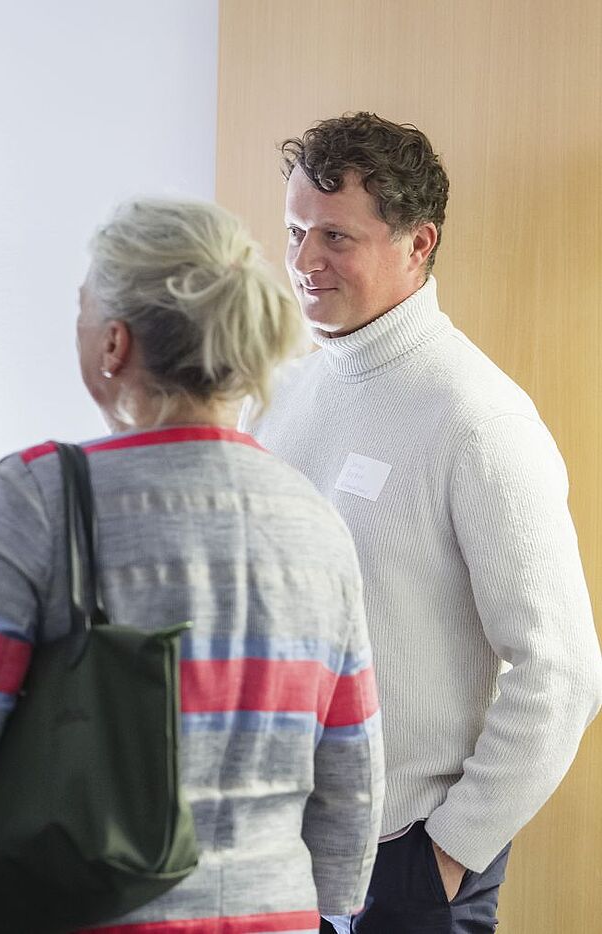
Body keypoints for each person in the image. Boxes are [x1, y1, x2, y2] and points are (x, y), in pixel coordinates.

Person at [0, 198, 384, 933]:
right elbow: (351, 769)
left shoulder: (41, 497)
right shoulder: (317, 521)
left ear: (114, 343)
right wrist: (329, 906)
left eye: (83, 308)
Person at [250, 112, 602, 933]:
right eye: (297, 230)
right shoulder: (289, 393)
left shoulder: (477, 417)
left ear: (418, 244)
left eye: (336, 236)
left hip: (405, 865)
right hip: (276, 851)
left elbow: (562, 671)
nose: (303, 262)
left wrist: (448, 853)